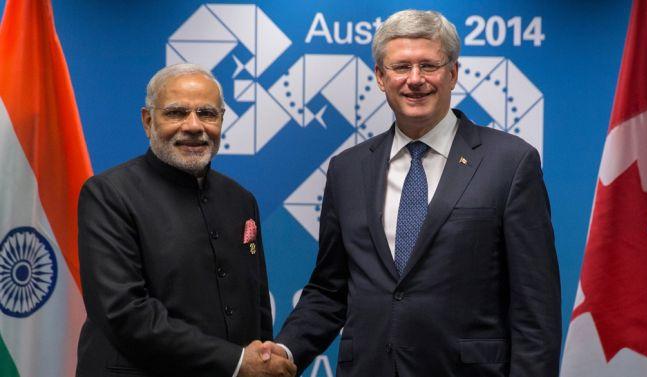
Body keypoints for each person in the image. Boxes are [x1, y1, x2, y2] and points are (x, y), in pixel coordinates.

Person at [271, 9, 561, 377]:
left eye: (429, 65)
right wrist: (284, 350)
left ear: (453, 72)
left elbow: (535, 305)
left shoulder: (511, 162)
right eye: (400, 67)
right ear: (380, 77)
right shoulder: (348, 169)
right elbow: (331, 289)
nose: (415, 80)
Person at [76, 63, 296, 377]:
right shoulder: (109, 195)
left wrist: (260, 360)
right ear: (148, 121)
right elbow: (123, 312)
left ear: (222, 120)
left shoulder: (240, 199)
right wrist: (235, 362)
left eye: (207, 114)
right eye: (177, 113)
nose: (193, 126)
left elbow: (256, 305)